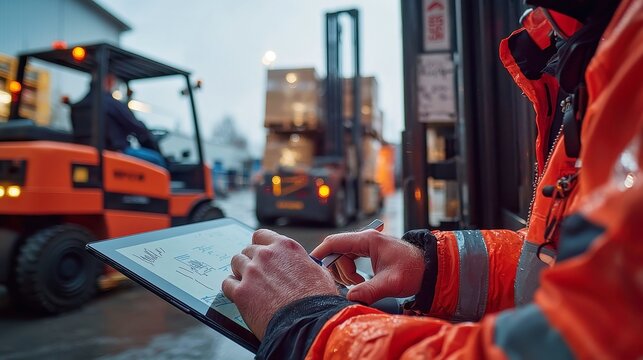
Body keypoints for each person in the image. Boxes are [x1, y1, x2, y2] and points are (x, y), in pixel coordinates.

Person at [223, 0, 642, 358]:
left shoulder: (624, 52)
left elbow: (576, 343)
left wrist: (312, 329)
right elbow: (570, 263)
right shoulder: (598, 42)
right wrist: (431, 264)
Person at [76, 73, 167, 168]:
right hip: (116, 152)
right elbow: (135, 126)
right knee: (157, 159)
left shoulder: (80, 104)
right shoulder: (110, 103)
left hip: (88, 151)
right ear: (109, 80)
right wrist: (144, 130)